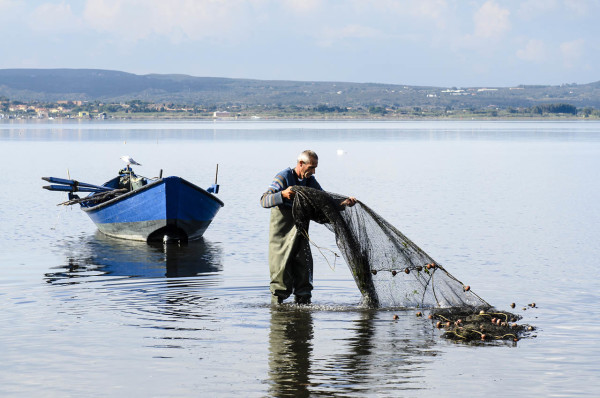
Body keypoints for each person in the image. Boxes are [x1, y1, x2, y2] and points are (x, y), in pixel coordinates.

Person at [260, 150, 356, 305]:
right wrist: (283, 195)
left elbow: (325, 201)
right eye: (310, 167)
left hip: (300, 235)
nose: (313, 172)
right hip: (281, 238)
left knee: (304, 277)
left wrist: (343, 203)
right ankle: (278, 315)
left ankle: (303, 313)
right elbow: (264, 200)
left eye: (315, 168)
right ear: (300, 164)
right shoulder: (283, 177)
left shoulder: (310, 181)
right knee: (280, 278)